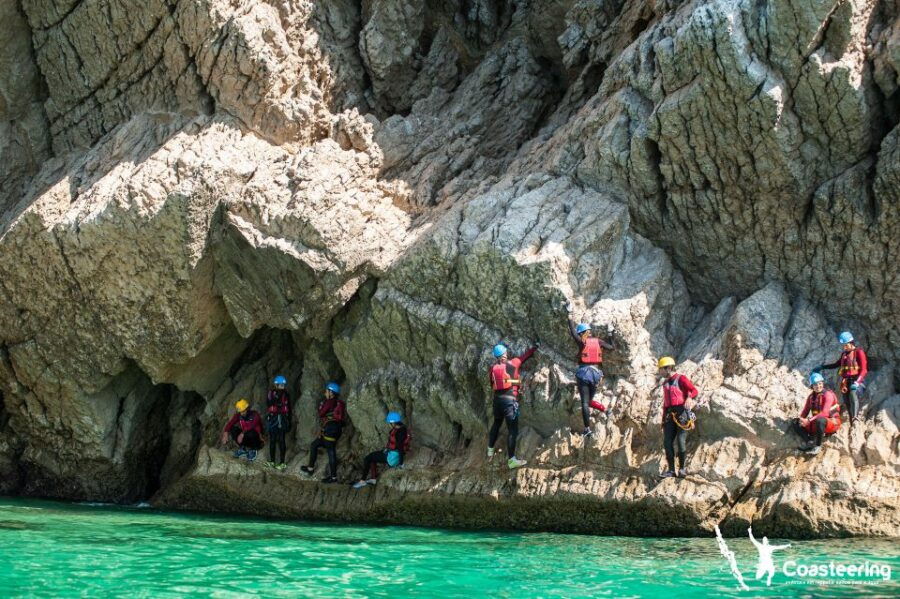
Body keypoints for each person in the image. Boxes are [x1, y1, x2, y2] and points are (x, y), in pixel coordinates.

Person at [567, 306, 614, 436]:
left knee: (584, 403)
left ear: (582, 333)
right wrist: (610, 333)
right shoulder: (598, 341)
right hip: (596, 375)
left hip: (584, 373)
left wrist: (569, 314)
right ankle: (605, 410)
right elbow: (611, 347)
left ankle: (587, 429)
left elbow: (572, 331)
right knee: (588, 401)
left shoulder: (583, 342)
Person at [487, 344, 531, 469]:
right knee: (512, 430)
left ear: (496, 357)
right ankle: (511, 460)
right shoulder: (513, 363)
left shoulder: (493, 368)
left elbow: (492, 384)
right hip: (509, 402)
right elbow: (525, 356)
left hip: (497, 401)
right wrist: (535, 347)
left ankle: (490, 450)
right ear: (505, 353)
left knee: (496, 423)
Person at [657, 356, 698, 478]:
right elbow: (665, 403)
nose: (660, 372)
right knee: (667, 442)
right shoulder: (665, 383)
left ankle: (682, 469)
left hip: (682, 414)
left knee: (680, 441)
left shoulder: (681, 379)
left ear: (668, 368)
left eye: (661, 369)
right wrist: (664, 419)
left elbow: (693, 390)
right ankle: (671, 470)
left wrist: (689, 398)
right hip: (670, 414)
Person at [816, 331, 868, 425]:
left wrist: (857, 383)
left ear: (851, 343)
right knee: (847, 401)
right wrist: (823, 367)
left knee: (853, 394)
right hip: (846, 382)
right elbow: (836, 364)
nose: (844, 347)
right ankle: (852, 420)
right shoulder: (844, 354)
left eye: (845, 345)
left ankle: (855, 417)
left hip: (858, 381)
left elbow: (864, 370)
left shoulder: (859, 352)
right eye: (843, 345)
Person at [352, 411, 411, 489]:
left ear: (393, 423)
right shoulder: (402, 428)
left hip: (392, 458)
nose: (389, 425)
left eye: (390, 423)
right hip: (393, 454)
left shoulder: (399, 432)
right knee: (372, 456)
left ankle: (362, 481)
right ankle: (373, 479)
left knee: (368, 458)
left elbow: (400, 447)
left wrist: (401, 464)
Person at [300, 382, 345, 483]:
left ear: (331, 393)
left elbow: (321, 414)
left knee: (330, 451)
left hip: (330, 429)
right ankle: (310, 468)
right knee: (315, 444)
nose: (325, 393)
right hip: (334, 429)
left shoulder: (329, 402)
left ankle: (333, 477)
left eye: (326, 391)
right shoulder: (338, 403)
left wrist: (321, 406)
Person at [794, 372, 841, 454]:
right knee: (795, 422)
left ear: (822, 383)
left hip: (832, 423)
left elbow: (825, 413)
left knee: (820, 420)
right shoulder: (811, 397)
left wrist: (808, 421)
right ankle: (810, 442)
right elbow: (805, 410)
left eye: (820, 383)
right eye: (815, 384)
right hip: (817, 423)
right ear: (812, 386)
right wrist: (802, 420)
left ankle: (818, 446)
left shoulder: (828, 395)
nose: (818, 386)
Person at [265, 375, 292, 470]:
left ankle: (282, 462)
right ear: (276, 385)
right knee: (272, 440)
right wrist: (277, 397)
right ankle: (272, 461)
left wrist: (289, 421)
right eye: (280, 385)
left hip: (282, 419)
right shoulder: (271, 393)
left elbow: (289, 408)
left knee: (281, 440)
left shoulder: (286, 394)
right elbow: (269, 403)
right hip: (273, 419)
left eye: (283, 385)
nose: (282, 387)